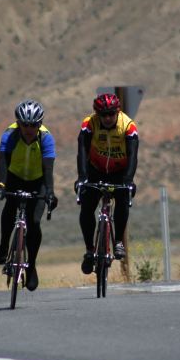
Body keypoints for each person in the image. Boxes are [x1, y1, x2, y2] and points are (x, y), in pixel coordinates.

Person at [0, 99, 57, 291]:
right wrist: (0, 186)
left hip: (38, 181)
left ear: (40, 124)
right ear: (18, 123)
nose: (29, 129)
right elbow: (2, 163)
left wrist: (50, 193)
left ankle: (32, 266)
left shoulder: (46, 138)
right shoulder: (9, 135)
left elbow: (48, 169)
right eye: (25, 124)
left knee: (34, 222)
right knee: (10, 208)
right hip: (14, 177)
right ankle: (4, 246)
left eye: (34, 125)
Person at [75, 92, 139, 274]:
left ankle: (118, 241)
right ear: (97, 114)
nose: (108, 118)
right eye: (104, 115)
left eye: (112, 114)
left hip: (119, 172)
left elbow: (133, 156)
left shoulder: (128, 126)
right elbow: (82, 151)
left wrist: (128, 180)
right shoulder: (89, 124)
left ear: (117, 112)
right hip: (95, 170)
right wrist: (82, 177)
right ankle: (89, 250)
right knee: (87, 207)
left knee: (123, 200)